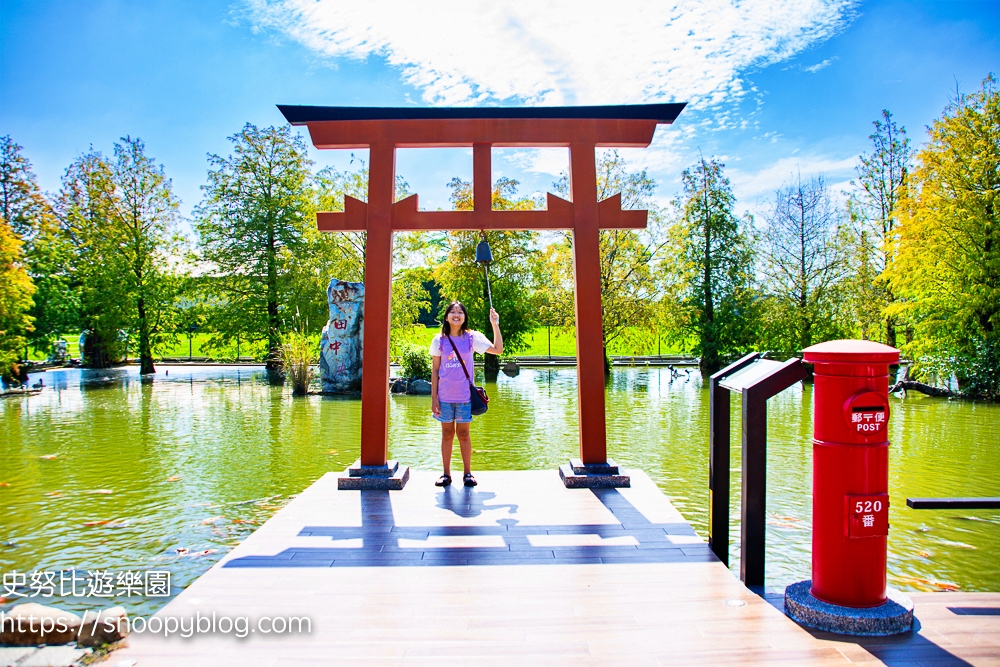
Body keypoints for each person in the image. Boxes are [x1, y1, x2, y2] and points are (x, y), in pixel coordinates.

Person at [430, 301, 503, 487]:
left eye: (460, 312)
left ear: (464, 317)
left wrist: (495, 324)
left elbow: (498, 349)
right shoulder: (439, 340)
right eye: (452, 312)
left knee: (463, 435)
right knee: (446, 434)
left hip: (464, 397)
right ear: (446, 317)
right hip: (444, 397)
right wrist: (433, 398)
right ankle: (446, 474)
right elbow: (435, 370)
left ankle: (468, 473)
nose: (456, 315)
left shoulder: (472, 338)